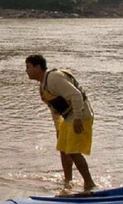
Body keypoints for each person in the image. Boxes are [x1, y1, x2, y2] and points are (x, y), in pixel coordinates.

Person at [25, 54, 97, 191]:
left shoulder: (54, 78)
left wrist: (77, 118)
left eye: (28, 67)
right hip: (68, 116)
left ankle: (89, 183)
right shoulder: (43, 86)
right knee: (63, 149)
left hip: (81, 113)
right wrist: (58, 129)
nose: (26, 71)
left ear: (37, 67)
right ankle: (68, 181)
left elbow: (76, 95)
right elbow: (54, 110)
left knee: (73, 151)